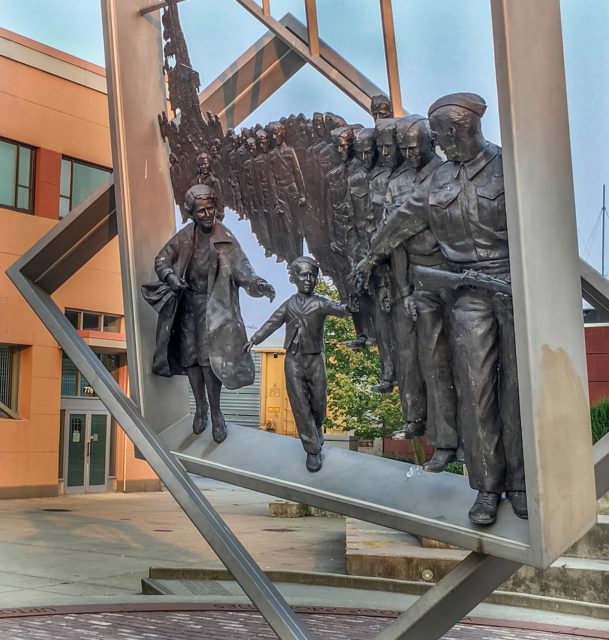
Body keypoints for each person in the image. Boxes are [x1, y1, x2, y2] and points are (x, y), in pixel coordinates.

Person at [143, 184, 275, 442]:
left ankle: (216, 413)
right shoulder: (184, 237)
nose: (206, 214)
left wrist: (257, 284)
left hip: (215, 307)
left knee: (209, 360)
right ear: (191, 213)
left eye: (210, 209)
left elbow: (242, 269)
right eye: (200, 211)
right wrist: (170, 277)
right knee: (191, 358)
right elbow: (161, 260)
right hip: (187, 305)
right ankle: (200, 408)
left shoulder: (224, 237)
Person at [244, 257, 350, 472]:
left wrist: (351, 301)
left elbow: (341, 310)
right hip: (293, 359)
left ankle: (317, 427)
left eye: (312, 275)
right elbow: (272, 323)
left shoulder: (321, 302)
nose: (308, 279)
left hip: (315, 359)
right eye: (303, 275)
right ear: (293, 278)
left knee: (319, 403)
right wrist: (254, 339)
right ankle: (312, 451)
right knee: (300, 405)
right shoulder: (289, 304)